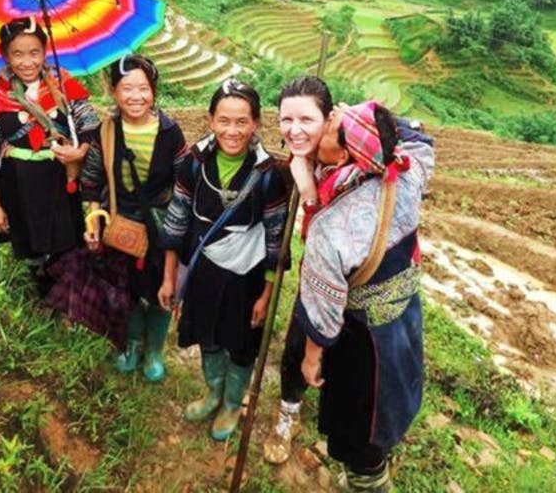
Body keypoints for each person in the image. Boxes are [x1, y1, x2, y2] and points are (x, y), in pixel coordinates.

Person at [296, 101, 434, 492]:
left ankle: (368, 481)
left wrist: (311, 359)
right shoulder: (407, 174)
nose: (320, 125)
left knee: (362, 421)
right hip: (403, 322)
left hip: (363, 342)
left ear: (343, 154)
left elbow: (322, 311)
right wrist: (367, 120)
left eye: (330, 125)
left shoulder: (333, 224)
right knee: (394, 397)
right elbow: (418, 136)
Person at [158, 79, 288, 441]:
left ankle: (232, 402)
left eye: (242, 122)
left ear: (256, 124)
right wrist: (171, 279)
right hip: (202, 271)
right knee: (208, 335)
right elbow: (176, 223)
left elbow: (276, 239)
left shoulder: (268, 176)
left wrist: (265, 294)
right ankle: (213, 392)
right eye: (224, 120)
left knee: (242, 342)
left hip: (246, 278)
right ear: (211, 120)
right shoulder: (194, 164)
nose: (233, 131)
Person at [79, 54, 188, 381]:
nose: (135, 96)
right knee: (123, 291)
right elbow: (91, 178)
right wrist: (93, 221)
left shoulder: (170, 132)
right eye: (127, 88)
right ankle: (131, 345)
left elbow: (184, 182)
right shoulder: (107, 131)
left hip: (160, 225)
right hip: (119, 222)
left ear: (154, 91)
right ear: (113, 91)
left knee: (159, 291)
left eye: (143, 88)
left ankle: (154, 350)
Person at [0, 16, 98, 294]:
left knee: (67, 244)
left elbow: (90, 125)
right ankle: (43, 297)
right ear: (5, 56)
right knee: (32, 246)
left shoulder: (63, 84)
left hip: (62, 180)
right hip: (19, 183)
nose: (27, 62)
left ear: (45, 50)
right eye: (17, 54)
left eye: (34, 53)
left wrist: (79, 153)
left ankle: (68, 304)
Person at [263, 75, 334, 465]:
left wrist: (308, 193)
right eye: (286, 120)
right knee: (296, 345)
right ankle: (289, 414)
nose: (294, 130)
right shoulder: (301, 159)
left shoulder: (344, 162)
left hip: (352, 286)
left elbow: (330, 236)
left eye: (306, 119)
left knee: (333, 353)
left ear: (329, 118)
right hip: (314, 280)